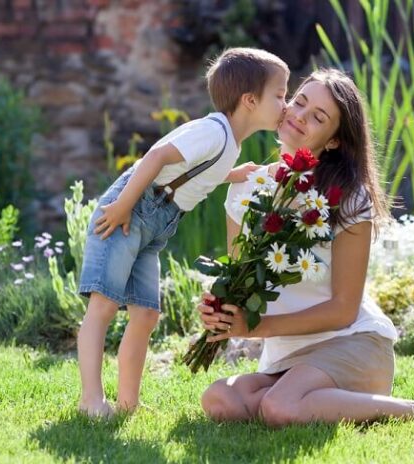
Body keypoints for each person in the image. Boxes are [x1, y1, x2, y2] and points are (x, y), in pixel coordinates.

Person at [197, 68, 414, 425]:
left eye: (318, 117)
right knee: (220, 399)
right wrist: (221, 309)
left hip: (353, 343)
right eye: (299, 102)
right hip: (290, 357)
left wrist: (252, 328)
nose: (299, 116)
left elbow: (343, 310)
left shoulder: (348, 198)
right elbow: (244, 283)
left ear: (334, 141)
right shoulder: (246, 189)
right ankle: (315, 400)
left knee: (280, 408)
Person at [76, 48, 290, 417]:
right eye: (281, 95)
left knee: (145, 315)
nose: (286, 105)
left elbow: (196, 171)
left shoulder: (228, 143)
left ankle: (128, 404)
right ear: (251, 100)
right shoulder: (212, 131)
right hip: (129, 211)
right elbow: (156, 157)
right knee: (104, 305)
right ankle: (90, 400)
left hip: (154, 226)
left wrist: (234, 174)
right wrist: (125, 204)